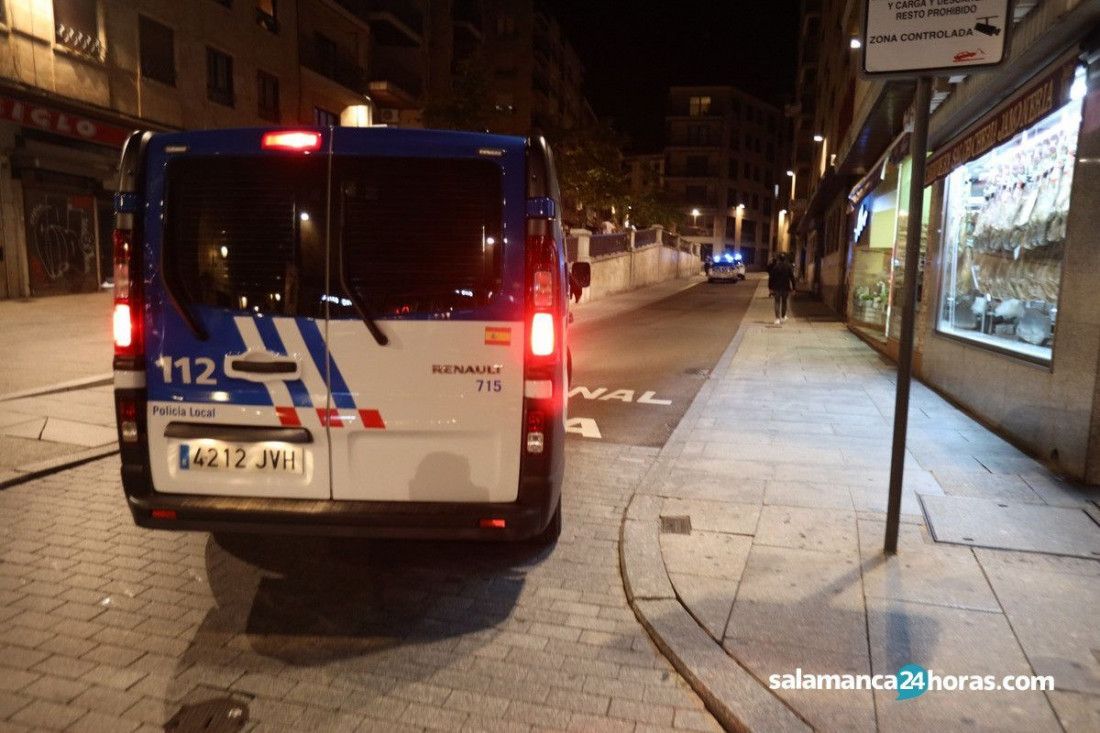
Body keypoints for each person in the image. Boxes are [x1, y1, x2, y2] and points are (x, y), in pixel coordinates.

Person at [767, 252, 796, 325]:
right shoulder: (788, 267)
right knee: (784, 302)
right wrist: (794, 288)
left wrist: (770, 288)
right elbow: (792, 278)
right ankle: (783, 317)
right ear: (785, 259)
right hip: (786, 288)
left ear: (779, 259)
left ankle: (777, 319)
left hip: (776, 287)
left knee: (777, 302)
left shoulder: (775, 267)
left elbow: (771, 278)